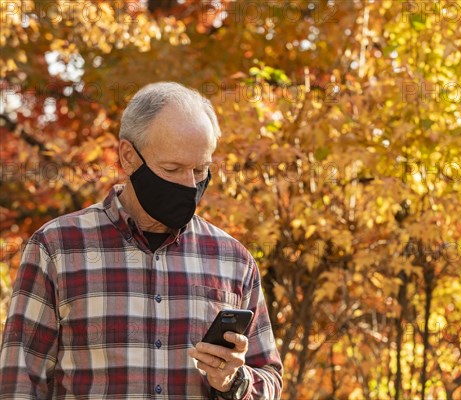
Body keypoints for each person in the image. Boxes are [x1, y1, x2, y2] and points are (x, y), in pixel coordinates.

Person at [0, 82, 283, 399]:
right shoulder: (56, 248)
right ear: (128, 156)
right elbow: (19, 382)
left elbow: (269, 378)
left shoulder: (234, 260)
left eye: (201, 169)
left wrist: (234, 379)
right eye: (172, 168)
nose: (189, 185)